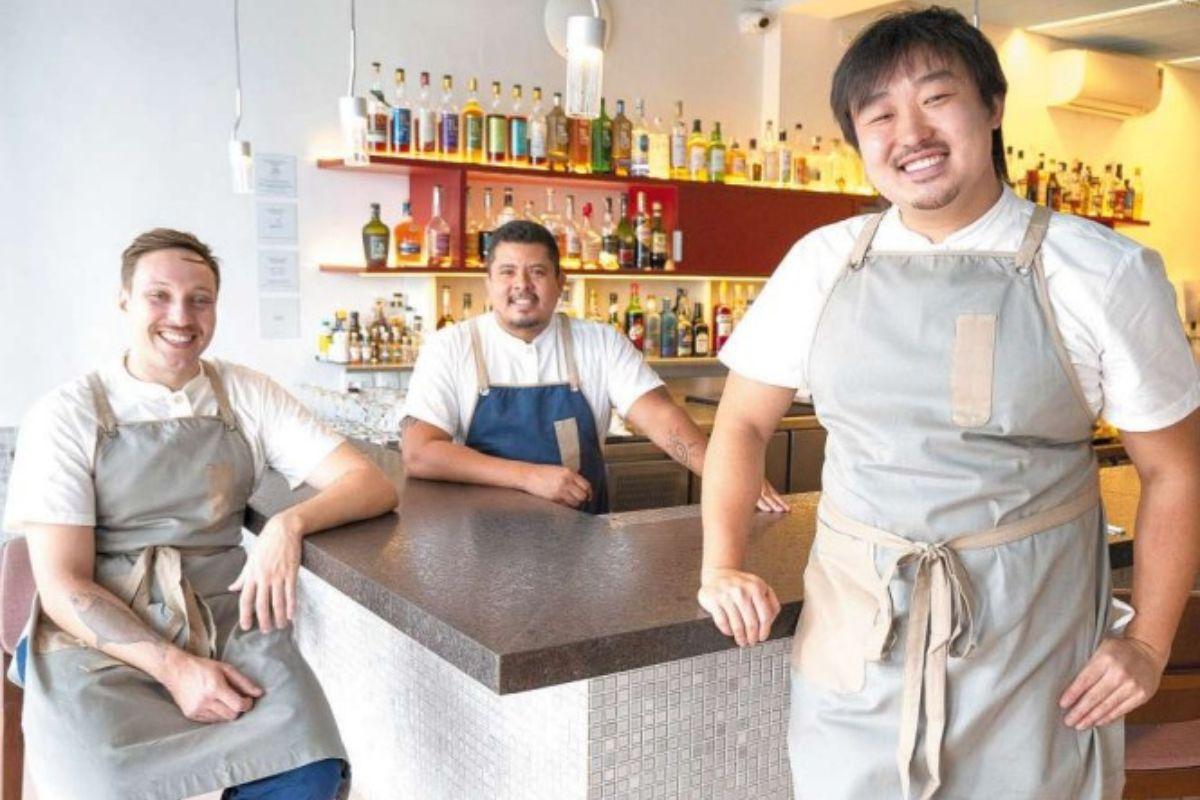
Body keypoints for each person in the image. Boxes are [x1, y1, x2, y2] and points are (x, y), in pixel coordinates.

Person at [697, 7, 1200, 800]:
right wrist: (721, 563)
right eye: (881, 114)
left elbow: (1175, 471)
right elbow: (742, 423)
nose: (912, 133)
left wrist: (1148, 641)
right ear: (857, 139)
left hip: (1034, 649)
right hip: (856, 646)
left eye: (937, 99)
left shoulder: (1100, 270)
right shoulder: (822, 263)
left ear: (993, 106)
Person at [2, 228, 399, 800]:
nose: (181, 316)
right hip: (97, 639)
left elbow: (370, 482)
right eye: (158, 296)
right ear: (124, 302)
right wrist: (174, 669)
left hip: (225, 621)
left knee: (309, 769)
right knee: (107, 785)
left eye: (200, 299)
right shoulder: (65, 415)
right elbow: (63, 585)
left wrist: (289, 525)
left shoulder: (245, 394)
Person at [401, 219, 786, 514]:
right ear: (487, 283)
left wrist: (729, 477)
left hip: (582, 535)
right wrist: (530, 478)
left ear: (559, 282)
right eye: (507, 272)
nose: (522, 284)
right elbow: (420, 453)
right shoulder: (450, 347)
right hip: (482, 537)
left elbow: (662, 418)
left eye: (536, 272)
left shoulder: (599, 342)